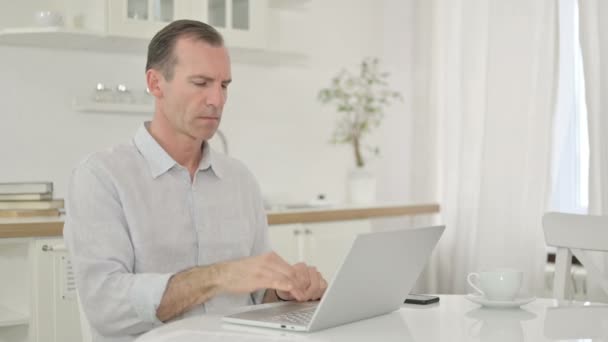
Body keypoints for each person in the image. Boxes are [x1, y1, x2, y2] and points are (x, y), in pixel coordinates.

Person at [63, 20, 327, 342]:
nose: (217, 100)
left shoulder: (240, 180)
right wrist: (217, 276)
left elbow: (257, 299)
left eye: (224, 85)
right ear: (156, 83)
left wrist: (285, 291)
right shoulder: (101, 177)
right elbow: (106, 307)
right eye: (201, 83)